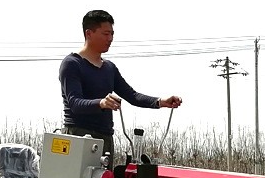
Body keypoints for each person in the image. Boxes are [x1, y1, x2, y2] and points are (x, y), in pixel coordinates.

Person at [59, 9, 182, 164]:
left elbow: (132, 96)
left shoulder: (109, 68)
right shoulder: (72, 64)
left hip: (105, 139)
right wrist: (101, 103)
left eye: (112, 34)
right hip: (78, 136)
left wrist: (160, 101)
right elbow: (75, 103)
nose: (110, 39)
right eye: (105, 34)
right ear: (89, 33)